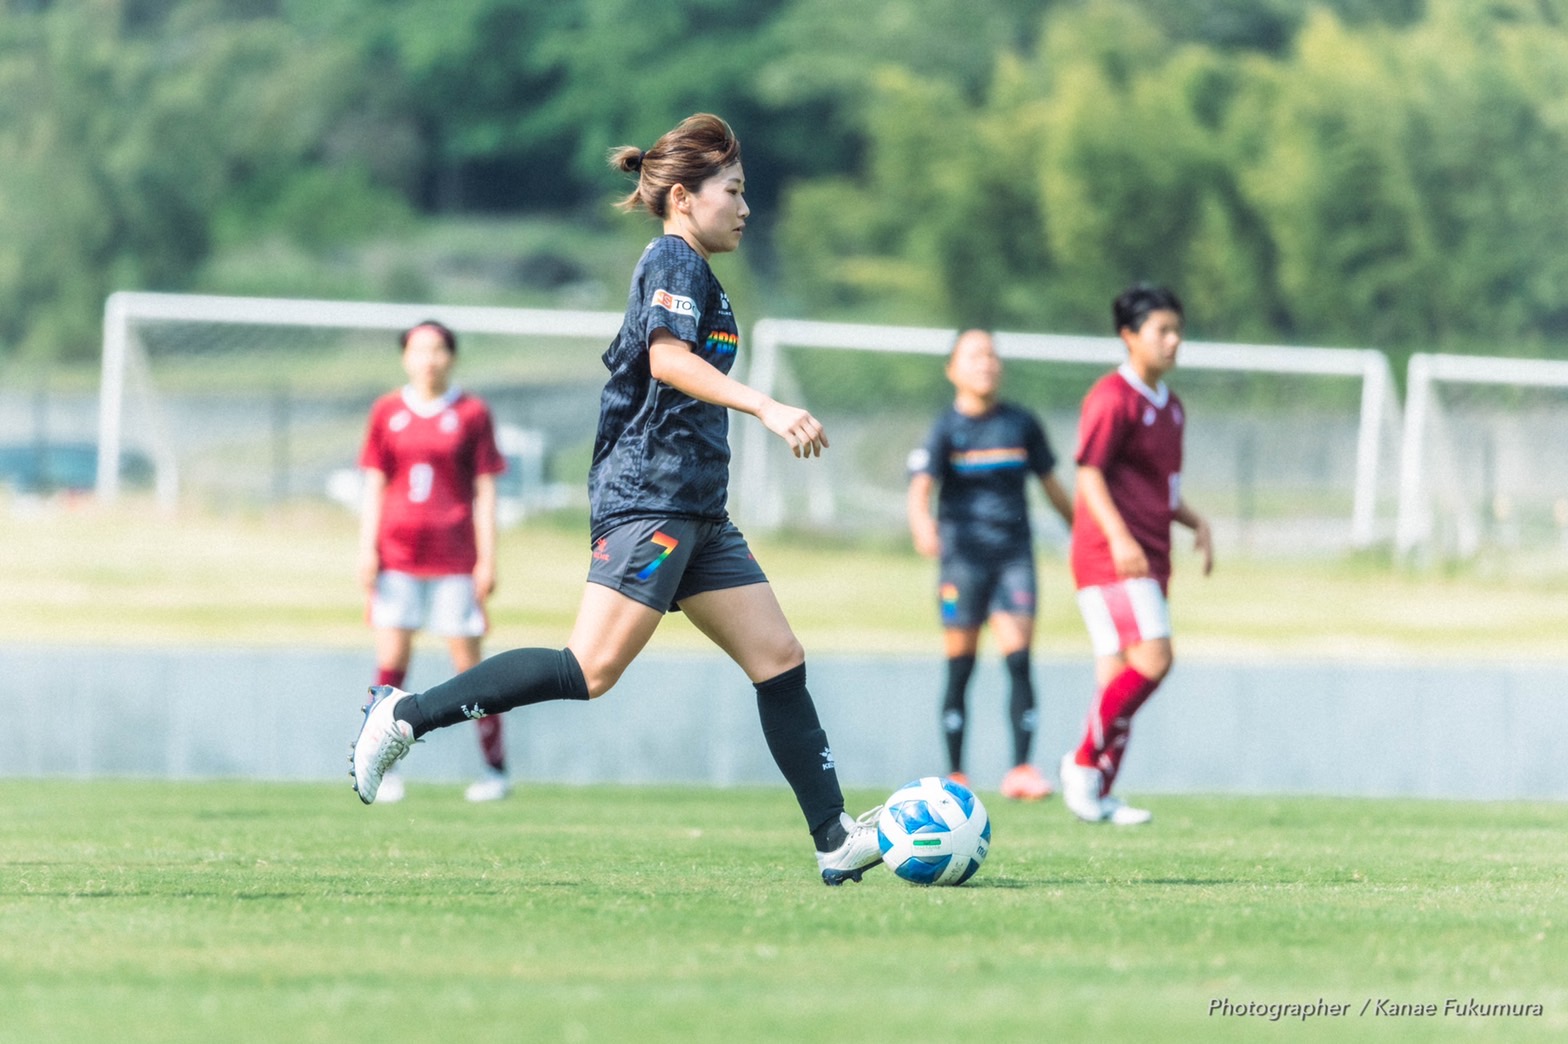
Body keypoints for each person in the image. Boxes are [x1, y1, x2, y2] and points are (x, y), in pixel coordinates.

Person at [348, 113, 885, 885]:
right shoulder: (672, 258)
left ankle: (833, 837)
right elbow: (667, 360)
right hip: (651, 498)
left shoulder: (703, 273)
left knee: (779, 659)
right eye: (733, 191)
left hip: (699, 509)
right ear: (683, 198)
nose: (745, 207)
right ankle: (404, 716)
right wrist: (766, 406)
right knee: (589, 669)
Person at [1059, 284, 1213, 825]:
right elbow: (1089, 474)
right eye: (1161, 331)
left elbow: (1161, 490)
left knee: (1117, 675)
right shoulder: (1112, 398)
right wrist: (1120, 538)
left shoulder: (1171, 408)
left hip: (1152, 554)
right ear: (1129, 336)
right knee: (1154, 659)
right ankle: (1082, 763)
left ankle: (1098, 792)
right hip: (1112, 558)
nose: (1173, 341)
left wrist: (1195, 522)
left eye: (1178, 330)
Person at [906, 330, 1073, 801]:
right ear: (953, 370)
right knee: (961, 665)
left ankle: (1021, 769)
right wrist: (922, 525)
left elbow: (1052, 486)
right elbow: (920, 488)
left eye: (992, 355)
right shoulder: (945, 428)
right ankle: (957, 773)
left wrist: (1082, 533)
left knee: (1018, 660)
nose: (987, 363)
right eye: (975, 355)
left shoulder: (1021, 424)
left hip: (1013, 559)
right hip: (962, 563)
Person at [357, 320, 511, 804]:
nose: (429, 359)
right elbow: (375, 484)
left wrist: (487, 559)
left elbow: (486, 491)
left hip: (455, 562)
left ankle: (495, 770)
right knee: (391, 667)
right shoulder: (387, 411)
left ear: (452, 356)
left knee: (470, 670)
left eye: (438, 349)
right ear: (406, 357)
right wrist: (366, 549)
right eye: (419, 350)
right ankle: (383, 770)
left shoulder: (471, 413)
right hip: (397, 558)